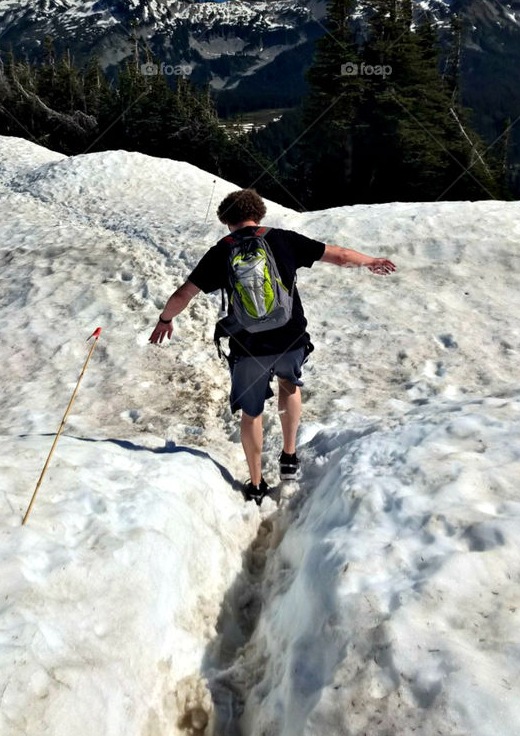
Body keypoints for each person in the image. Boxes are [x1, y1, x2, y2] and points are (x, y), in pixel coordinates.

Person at [149, 188, 395, 504]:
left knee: (251, 414)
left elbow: (184, 294)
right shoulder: (283, 239)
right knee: (289, 386)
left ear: (226, 220)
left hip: (248, 345)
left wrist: (165, 320)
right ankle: (289, 454)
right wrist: (370, 261)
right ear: (259, 213)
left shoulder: (222, 250)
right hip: (290, 337)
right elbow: (340, 256)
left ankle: (255, 483)